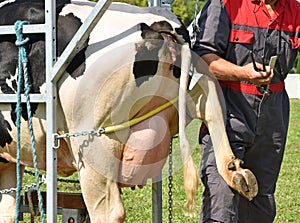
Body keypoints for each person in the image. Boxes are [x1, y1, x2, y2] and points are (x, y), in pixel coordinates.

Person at [192, 0, 300, 222]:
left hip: (272, 121)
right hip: (227, 115)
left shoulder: (295, 11)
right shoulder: (224, 4)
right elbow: (202, 59)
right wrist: (243, 73)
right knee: (220, 201)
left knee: (260, 202)